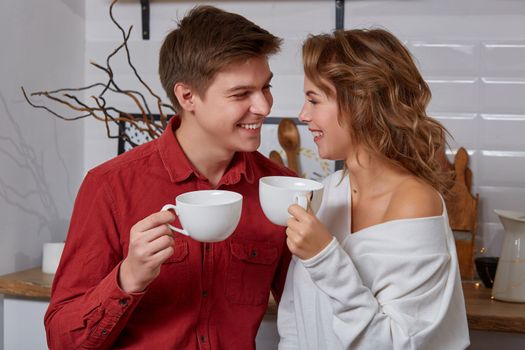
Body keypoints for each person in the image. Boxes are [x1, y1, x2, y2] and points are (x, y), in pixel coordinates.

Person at [45, 6, 294, 349]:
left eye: (265, 88)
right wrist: (128, 277)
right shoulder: (110, 187)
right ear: (187, 96)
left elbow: (307, 319)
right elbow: (62, 340)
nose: (264, 107)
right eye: (241, 94)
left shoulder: (279, 188)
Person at [277, 29, 470, 349]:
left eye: (314, 100)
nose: (303, 115)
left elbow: (395, 343)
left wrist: (324, 258)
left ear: (360, 103)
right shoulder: (327, 192)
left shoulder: (415, 204)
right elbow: (294, 319)